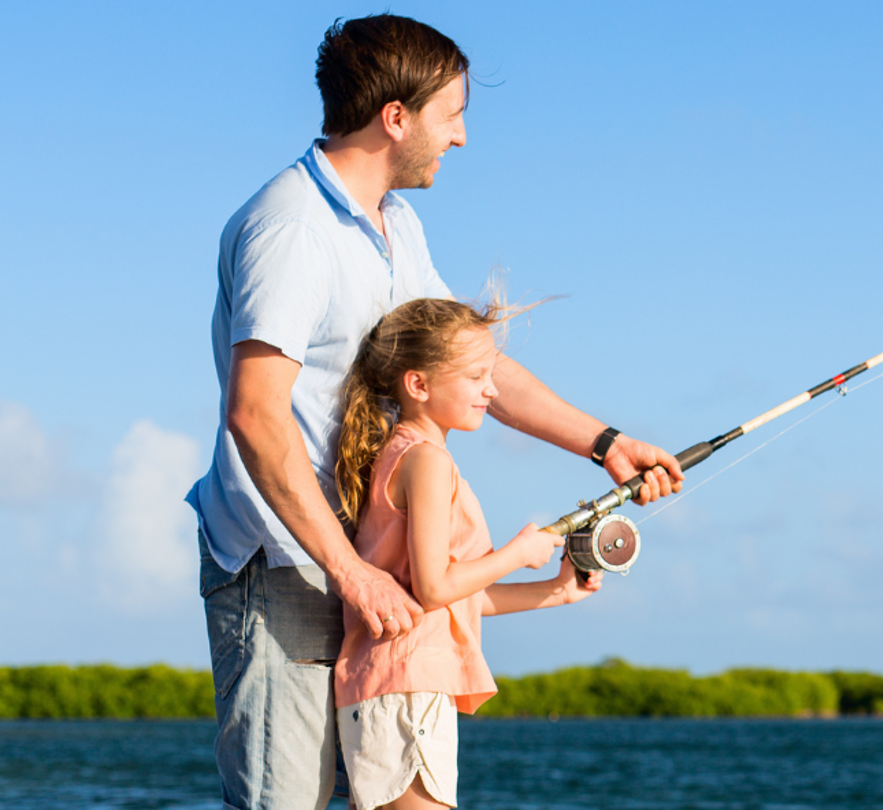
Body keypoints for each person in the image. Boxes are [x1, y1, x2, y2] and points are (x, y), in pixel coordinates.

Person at [187, 14, 683, 809]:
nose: (460, 139)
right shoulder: (291, 229)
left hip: (370, 564)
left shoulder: (398, 226)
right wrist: (351, 575)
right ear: (396, 117)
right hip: (285, 566)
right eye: (451, 116)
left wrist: (605, 443)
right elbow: (254, 415)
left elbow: (472, 366)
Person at [331, 296, 589, 810]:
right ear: (418, 385)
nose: (491, 390)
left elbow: (453, 594)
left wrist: (555, 592)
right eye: (475, 377)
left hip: (400, 685)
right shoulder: (425, 461)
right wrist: (519, 552)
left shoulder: (411, 455)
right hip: (405, 686)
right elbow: (434, 588)